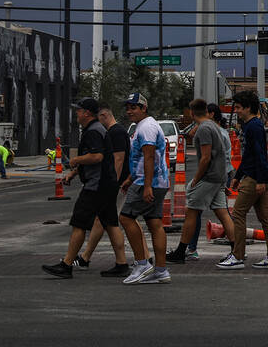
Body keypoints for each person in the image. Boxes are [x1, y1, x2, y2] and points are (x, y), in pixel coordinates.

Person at [41, 98, 126, 279]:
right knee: (110, 223)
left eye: (79, 111)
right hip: (107, 185)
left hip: (97, 186)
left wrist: (75, 160)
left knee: (79, 223)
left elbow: (96, 157)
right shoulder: (96, 130)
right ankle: (122, 264)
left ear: (87, 113)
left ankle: (66, 265)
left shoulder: (93, 132)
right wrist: (74, 173)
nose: (76, 114)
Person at [165, 99, 236, 264]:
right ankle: (236, 250)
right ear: (206, 110)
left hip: (209, 177)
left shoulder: (204, 129)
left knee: (191, 211)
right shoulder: (213, 126)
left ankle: (181, 251)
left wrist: (196, 179)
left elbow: (205, 158)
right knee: (223, 213)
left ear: (191, 113)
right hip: (220, 176)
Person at [218, 90, 268, 270]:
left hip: (254, 177)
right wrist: (237, 177)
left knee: (238, 213)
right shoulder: (250, 125)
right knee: (265, 217)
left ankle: (237, 255)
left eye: (238, 107)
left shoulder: (253, 127)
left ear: (248, 108)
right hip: (254, 175)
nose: (236, 111)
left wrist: (260, 180)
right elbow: (248, 155)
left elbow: (260, 154)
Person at [118, 92, 171, 285]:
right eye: (128, 107)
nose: (130, 111)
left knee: (125, 217)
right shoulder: (144, 126)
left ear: (143, 108)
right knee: (154, 222)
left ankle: (142, 264)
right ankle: (161, 271)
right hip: (153, 181)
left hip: (147, 183)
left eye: (134, 107)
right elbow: (143, 157)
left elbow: (149, 157)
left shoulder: (147, 127)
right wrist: (130, 178)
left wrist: (146, 185)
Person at [75, 105, 131, 276]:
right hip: (112, 184)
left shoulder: (116, 132)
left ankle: (85, 258)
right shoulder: (111, 132)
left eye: (98, 118)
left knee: (113, 221)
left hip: (114, 184)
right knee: (106, 221)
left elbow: (118, 159)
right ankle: (86, 257)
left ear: (104, 115)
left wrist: (113, 183)